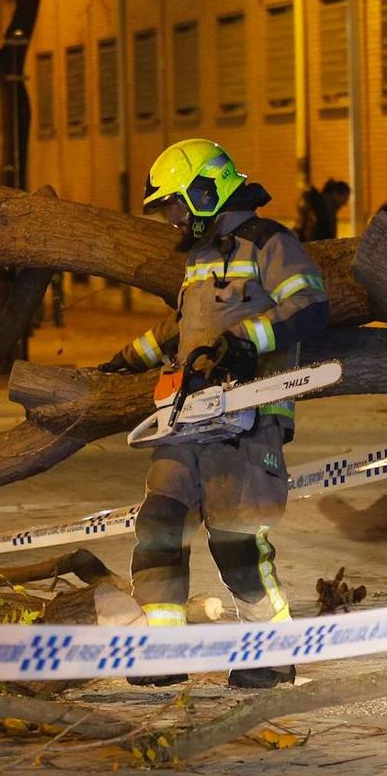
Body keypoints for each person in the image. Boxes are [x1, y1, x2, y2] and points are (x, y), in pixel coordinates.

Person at [98, 139, 330, 689]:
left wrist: (247, 341)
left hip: (248, 418)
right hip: (187, 417)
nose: (175, 218)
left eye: (178, 205)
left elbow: (311, 304)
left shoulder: (270, 242)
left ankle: (271, 655)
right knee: (159, 525)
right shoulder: (200, 256)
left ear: (208, 190)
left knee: (237, 541)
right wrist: (125, 360)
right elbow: (183, 332)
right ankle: (161, 652)